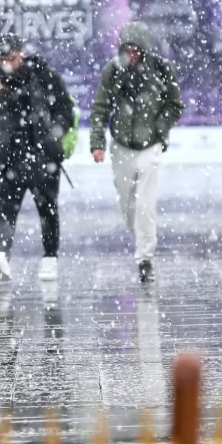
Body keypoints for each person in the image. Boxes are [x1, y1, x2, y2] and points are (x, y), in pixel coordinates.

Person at [90, 22, 184, 283]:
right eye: (126, 50)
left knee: (145, 204)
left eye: (135, 50)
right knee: (127, 205)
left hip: (150, 145)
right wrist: (97, 142)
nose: (130, 55)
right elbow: (100, 108)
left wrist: (160, 128)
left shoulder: (162, 70)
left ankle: (145, 258)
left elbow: (174, 105)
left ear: (144, 50)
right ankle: (143, 239)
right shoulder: (113, 71)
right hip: (121, 146)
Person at [0, 33, 76, 283]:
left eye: (11, 58)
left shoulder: (43, 75)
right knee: (6, 209)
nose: (7, 64)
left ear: (21, 53)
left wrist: (53, 137)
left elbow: (65, 108)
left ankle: (50, 258)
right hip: (8, 158)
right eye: (2, 59)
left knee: (47, 208)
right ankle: (2, 255)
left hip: (42, 155)